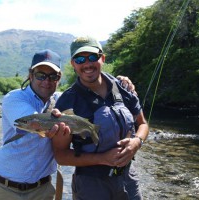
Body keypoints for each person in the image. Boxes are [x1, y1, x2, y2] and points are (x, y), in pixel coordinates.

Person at [0, 49, 136, 200]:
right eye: (41, 75)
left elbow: (91, 86)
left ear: (59, 78)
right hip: (7, 188)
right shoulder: (15, 98)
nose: (46, 81)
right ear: (30, 74)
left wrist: (118, 81)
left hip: (44, 188)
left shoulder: (62, 100)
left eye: (53, 76)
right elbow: (35, 122)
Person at [51, 36, 149, 200]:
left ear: (102, 58)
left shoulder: (122, 87)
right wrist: (102, 159)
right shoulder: (67, 102)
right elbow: (61, 155)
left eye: (93, 57)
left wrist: (137, 142)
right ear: (73, 64)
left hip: (128, 179)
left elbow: (143, 124)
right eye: (80, 59)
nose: (87, 64)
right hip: (91, 185)